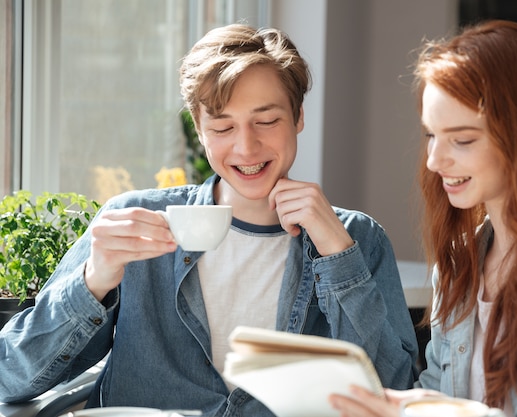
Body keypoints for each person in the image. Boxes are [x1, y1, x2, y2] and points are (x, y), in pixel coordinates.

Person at [0, 24, 420, 416]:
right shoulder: (131, 222)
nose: (246, 146)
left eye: (267, 120)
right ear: (199, 129)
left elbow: (393, 392)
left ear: (298, 117)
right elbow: (9, 376)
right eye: (222, 127)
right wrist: (94, 280)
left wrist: (337, 254)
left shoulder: (358, 238)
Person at [329, 19, 517, 417]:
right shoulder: (458, 263)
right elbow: (437, 392)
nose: (434, 161)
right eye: (431, 135)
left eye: (462, 140)